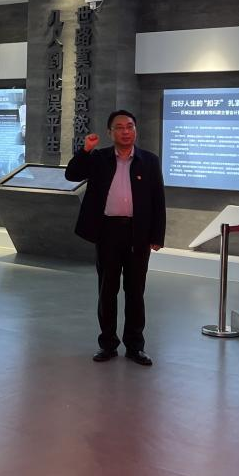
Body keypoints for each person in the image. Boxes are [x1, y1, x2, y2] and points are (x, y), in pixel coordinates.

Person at [64, 110, 166, 366]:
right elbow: (72, 174)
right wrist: (85, 150)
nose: (125, 131)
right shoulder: (99, 158)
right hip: (107, 232)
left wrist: (157, 235)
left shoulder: (149, 161)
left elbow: (158, 200)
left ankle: (135, 346)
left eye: (130, 126)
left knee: (135, 292)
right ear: (110, 132)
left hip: (138, 234)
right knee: (107, 291)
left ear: (135, 130)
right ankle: (107, 344)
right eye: (119, 127)